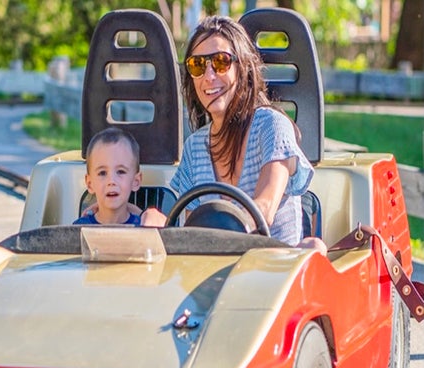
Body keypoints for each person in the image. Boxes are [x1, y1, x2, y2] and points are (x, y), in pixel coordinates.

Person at [142, 15, 326, 253]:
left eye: (221, 62)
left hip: (274, 272)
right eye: (198, 65)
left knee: (314, 247)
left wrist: (218, 231)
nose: (209, 76)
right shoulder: (194, 147)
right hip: (212, 275)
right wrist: (158, 223)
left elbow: (265, 209)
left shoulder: (272, 126)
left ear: (244, 68)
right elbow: (190, 231)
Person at [73, 127, 142, 225]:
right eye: (102, 173)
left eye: (121, 171)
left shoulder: (146, 228)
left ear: (136, 181)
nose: (111, 181)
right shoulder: (77, 230)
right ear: (89, 183)